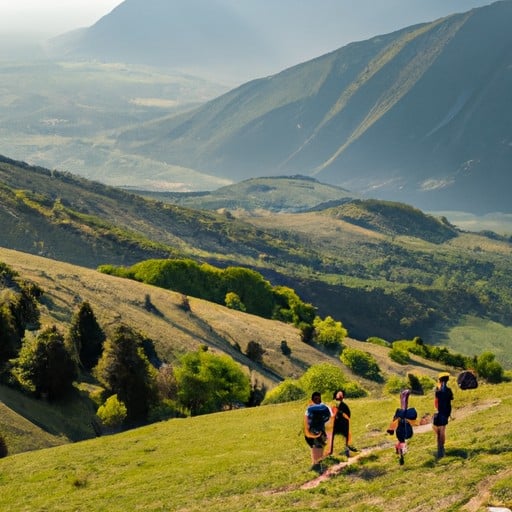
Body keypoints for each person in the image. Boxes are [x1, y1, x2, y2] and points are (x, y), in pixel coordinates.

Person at [304, 391, 333, 472]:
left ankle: (318, 465)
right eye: (316, 399)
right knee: (316, 446)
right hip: (315, 431)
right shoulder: (322, 408)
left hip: (318, 431)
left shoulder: (312, 408)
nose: (317, 400)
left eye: (318, 398)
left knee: (317, 446)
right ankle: (317, 464)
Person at [432, 372, 454, 459]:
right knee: (442, 431)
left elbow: (436, 403)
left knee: (437, 431)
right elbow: (450, 400)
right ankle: (441, 448)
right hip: (446, 413)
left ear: (440, 381)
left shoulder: (437, 391)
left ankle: (440, 449)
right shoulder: (449, 391)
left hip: (439, 412)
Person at [332, 389, 358, 457]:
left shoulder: (344, 406)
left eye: (341, 395)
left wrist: (340, 413)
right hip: (335, 424)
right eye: (338, 395)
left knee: (346, 436)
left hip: (343, 424)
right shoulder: (333, 405)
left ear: (343, 397)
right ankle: (330, 451)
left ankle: (346, 450)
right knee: (330, 437)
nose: (339, 397)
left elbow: (348, 416)